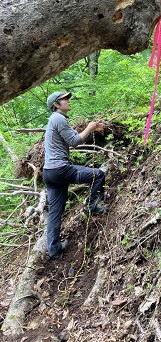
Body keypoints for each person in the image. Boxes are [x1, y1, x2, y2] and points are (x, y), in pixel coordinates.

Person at [43, 91, 106, 259]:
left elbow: (74, 138)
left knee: (55, 212)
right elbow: (75, 142)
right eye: (65, 99)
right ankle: (91, 207)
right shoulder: (58, 118)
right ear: (56, 104)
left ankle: (54, 249)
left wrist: (93, 131)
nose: (68, 101)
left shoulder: (54, 120)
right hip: (60, 169)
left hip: (49, 172)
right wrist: (89, 127)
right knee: (98, 175)